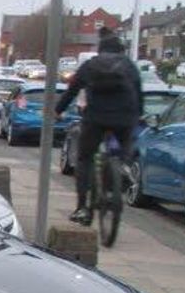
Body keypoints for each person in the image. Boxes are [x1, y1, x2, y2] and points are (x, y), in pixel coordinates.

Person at [54, 30, 143, 224]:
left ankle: (82, 207)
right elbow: (138, 92)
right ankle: (124, 166)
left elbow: (72, 90)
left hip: (96, 118)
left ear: (100, 50)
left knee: (85, 159)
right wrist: (139, 115)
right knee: (125, 146)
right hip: (124, 117)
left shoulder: (90, 65)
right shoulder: (128, 65)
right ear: (121, 50)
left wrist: (58, 111)